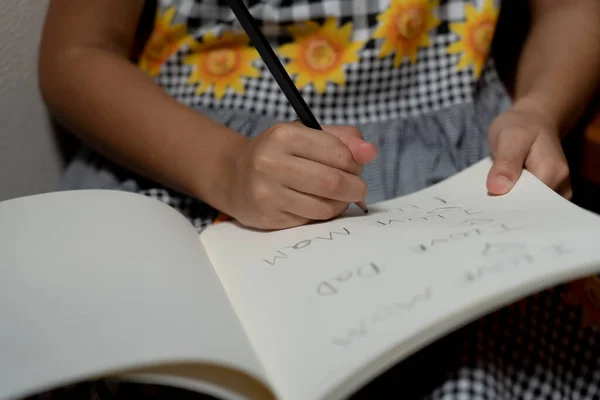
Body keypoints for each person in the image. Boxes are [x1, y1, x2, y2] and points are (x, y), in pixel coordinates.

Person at [35, 0, 600, 398]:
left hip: (454, 168)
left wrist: (540, 108)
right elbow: (75, 55)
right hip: (185, 154)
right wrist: (224, 165)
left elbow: (570, 10)